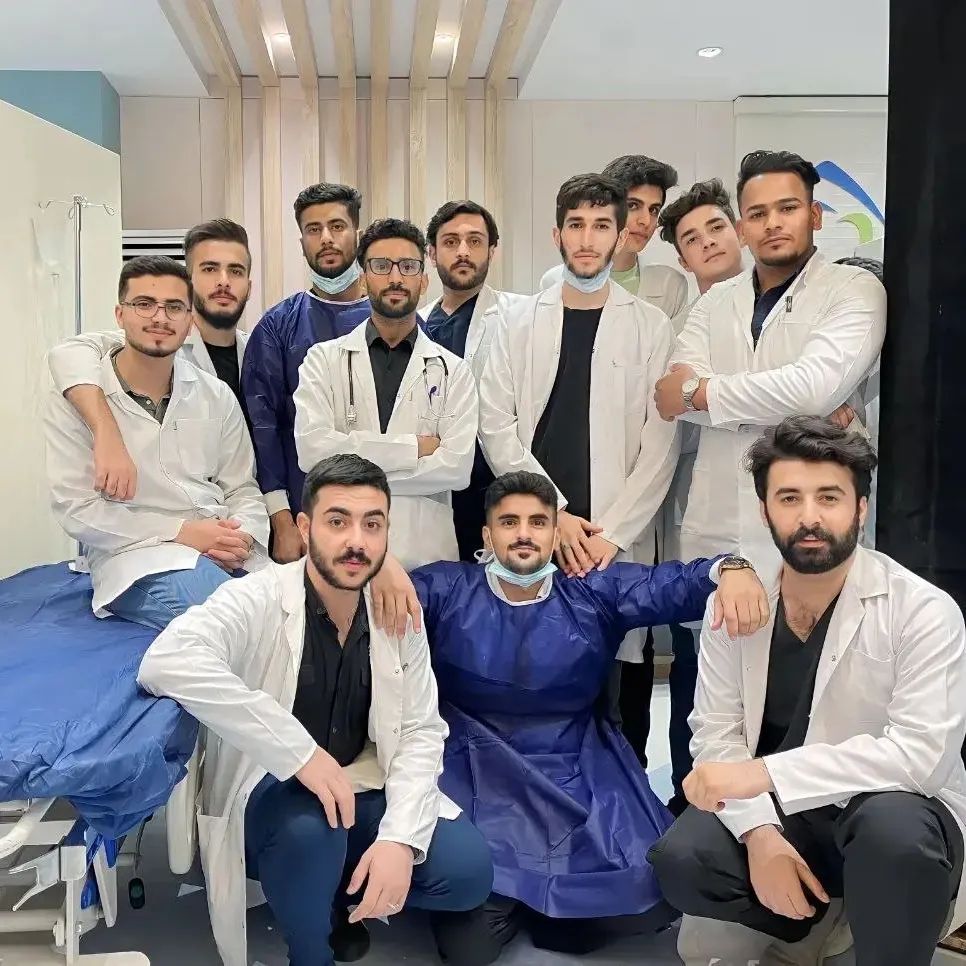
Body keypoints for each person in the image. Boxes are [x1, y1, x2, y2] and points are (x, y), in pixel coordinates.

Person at [138, 454, 493, 966]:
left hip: (361, 784)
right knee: (313, 834)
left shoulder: (395, 612)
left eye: (372, 525)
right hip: (273, 798)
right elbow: (166, 660)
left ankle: (334, 897)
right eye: (337, 522)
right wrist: (298, 754)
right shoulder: (258, 597)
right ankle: (310, 953)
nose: (356, 541)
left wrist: (398, 841)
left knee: (467, 872)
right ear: (305, 529)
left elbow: (420, 729)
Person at [401, 470, 768, 961]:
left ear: (556, 533)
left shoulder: (592, 591)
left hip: (576, 764)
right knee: (469, 947)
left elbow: (674, 583)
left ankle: (542, 908)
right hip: (472, 766)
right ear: (487, 535)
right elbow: (372, 595)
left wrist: (734, 568)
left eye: (537, 522)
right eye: (509, 522)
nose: (524, 534)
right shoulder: (447, 588)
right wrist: (383, 573)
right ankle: (521, 900)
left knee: (652, 900)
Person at [648, 416, 966, 966]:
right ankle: (812, 916)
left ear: (860, 509)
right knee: (683, 859)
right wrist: (760, 835)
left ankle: (887, 931)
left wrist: (764, 774)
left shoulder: (922, 610)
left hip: (891, 811)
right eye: (789, 498)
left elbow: (920, 758)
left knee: (893, 835)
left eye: (829, 497)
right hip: (789, 816)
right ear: (765, 510)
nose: (810, 516)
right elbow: (716, 732)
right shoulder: (737, 606)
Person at [478, 172, 680, 765]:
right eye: (576, 225)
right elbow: (496, 426)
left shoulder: (650, 325)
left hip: (613, 543)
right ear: (557, 235)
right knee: (531, 685)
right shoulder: (514, 321)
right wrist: (557, 515)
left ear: (620, 236)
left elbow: (660, 446)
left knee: (619, 701)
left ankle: (623, 813)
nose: (587, 239)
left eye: (600, 226)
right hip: (538, 533)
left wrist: (610, 537)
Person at [653, 150, 887, 572]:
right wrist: (798, 411)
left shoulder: (854, 289)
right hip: (718, 521)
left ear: (815, 215)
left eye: (788, 208)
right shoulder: (713, 301)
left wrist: (699, 393)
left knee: (816, 614)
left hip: (814, 518)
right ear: (743, 229)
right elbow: (672, 398)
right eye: (758, 214)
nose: (773, 223)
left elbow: (812, 389)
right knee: (715, 613)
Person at [45, 255, 268, 629]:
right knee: (238, 618)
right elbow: (78, 510)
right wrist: (183, 534)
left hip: (222, 543)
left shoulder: (215, 394)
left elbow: (241, 487)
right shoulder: (79, 399)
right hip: (139, 556)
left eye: (174, 307)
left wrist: (240, 536)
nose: (160, 318)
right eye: (144, 304)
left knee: (300, 605)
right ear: (120, 315)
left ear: (190, 319)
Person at [294, 218, 478, 568]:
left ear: (423, 280)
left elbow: (456, 470)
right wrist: (415, 448)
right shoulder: (322, 361)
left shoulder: (454, 371)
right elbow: (312, 452)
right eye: (381, 266)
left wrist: (348, 465)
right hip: (344, 557)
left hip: (426, 560)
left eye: (408, 267)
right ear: (363, 278)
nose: (395, 278)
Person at [46, 218, 255, 502]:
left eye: (236, 271)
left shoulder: (258, 351)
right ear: (189, 281)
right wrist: (106, 431)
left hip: (240, 505)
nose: (223, 281)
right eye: (209, 269)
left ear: (249, 286)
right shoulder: (154, 341)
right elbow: (66, 354)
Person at [654, 178, 747, 813]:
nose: (708, 242)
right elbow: (676, 399)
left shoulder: (797, 303)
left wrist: (715, 394)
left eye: (716, 227)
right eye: (692, 238)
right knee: (698, 660)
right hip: (708, 507)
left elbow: (822, 390)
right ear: (683, 259)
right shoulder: (686, 325)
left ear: (738, 231)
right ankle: (689, 800)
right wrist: (778, 394)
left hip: (785, 511)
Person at [242, 182, 372, 565]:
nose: (326, 238)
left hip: (387, 510)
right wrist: (281, 521)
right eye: (314, 229)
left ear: (358, 235)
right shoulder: (277, 328)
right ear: (302, 243)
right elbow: (263, 429)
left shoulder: (397, 324)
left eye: (337, 226)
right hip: (304, 515)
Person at [419, 199, 525, 560]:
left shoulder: (520, 316)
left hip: (496, 482)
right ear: (432, 253)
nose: (463, 251)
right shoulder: (416, 324)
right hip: (431, 486)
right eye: (450, 242)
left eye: (475, 241)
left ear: (492, 251)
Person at [539, 154, 688, 320]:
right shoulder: (553, 281)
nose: (646, 221)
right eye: (633, 205)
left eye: (653, 210)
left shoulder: (671, 285)